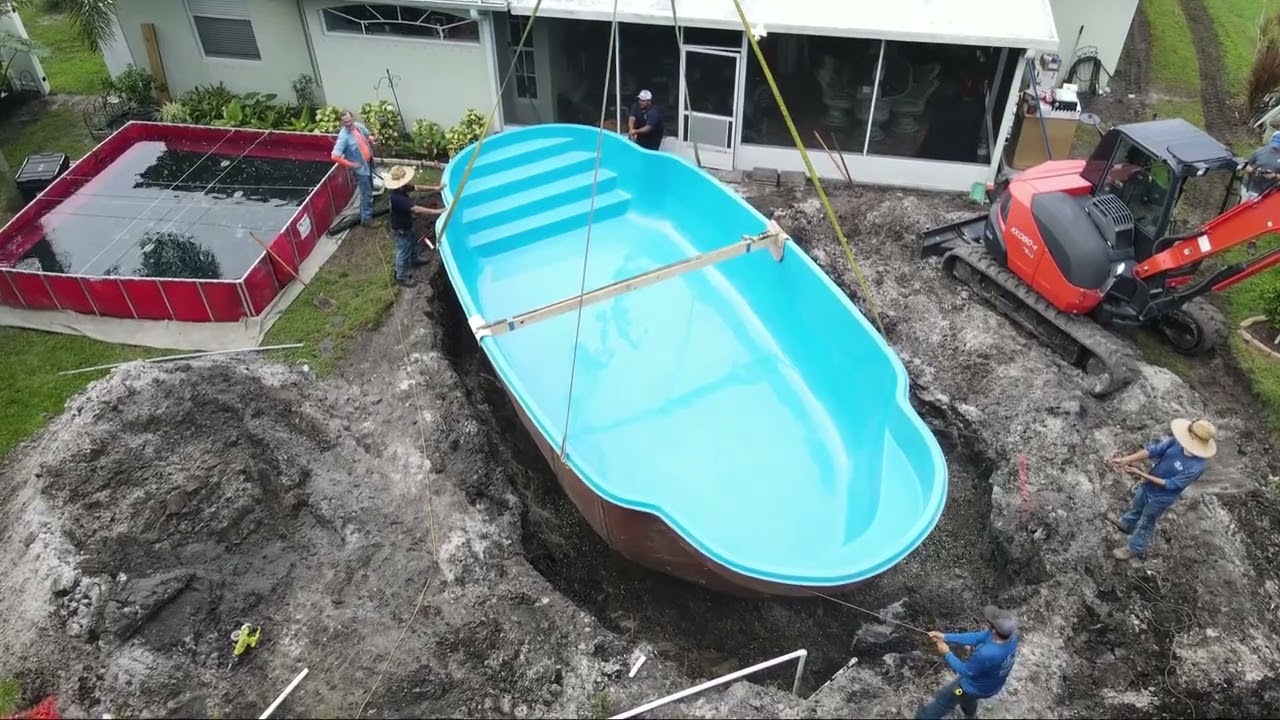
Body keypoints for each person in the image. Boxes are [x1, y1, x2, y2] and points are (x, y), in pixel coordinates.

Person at [1105, 418, 1217, 562]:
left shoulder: (1197, 467)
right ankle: (1126, 524)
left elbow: (1171, 484)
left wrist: (1140, 474)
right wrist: (1126, 459)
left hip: (1161, 497)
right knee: (1137, 504)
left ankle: (1135, 547)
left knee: (1147, 520)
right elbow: (1154, 451)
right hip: (1148, 484)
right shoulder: (1176, 442)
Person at [917, 606, 1019, 719]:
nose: (988, 623)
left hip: (967, 690)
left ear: (994, 630)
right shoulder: (1011, 638)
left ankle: (924, 717)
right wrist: (945, 637)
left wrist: (947, 653)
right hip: (990, 687)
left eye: (990, 623)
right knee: (968, 701)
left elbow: (965, 671)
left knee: (946, 699)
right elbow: (976, 637)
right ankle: (971, 716)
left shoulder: (985, 654)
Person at [383, 165, 443, 288]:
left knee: (413, 241)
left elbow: (417, 187)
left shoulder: (402, 189)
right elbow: (417, 209)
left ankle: (414, 259)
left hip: (407, 224)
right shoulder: (397, 198)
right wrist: (438, 212)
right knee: (403, 251)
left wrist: (436, 187)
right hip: (400, 229)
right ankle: (401, 276)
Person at [331, 109, 378, 227]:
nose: (349, 123)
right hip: (360, 170)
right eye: (346, 122)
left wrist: (370, 139)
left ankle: (367, 209)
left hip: (368, 163)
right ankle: (366, 219)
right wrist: (352, 165)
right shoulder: (343, 137)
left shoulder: (357, 127)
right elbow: (335, 156)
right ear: (341, 123)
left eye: (350, 120)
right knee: (366, 192)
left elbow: (366, 136)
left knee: (370, 187)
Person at [1241, 131, 1280, 202]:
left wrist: (1274, 175)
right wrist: (1254, 171)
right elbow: (1246, 165)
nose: (1275, 148)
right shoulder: (1260, 151)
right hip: (1249, 188)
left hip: (1267, 193)